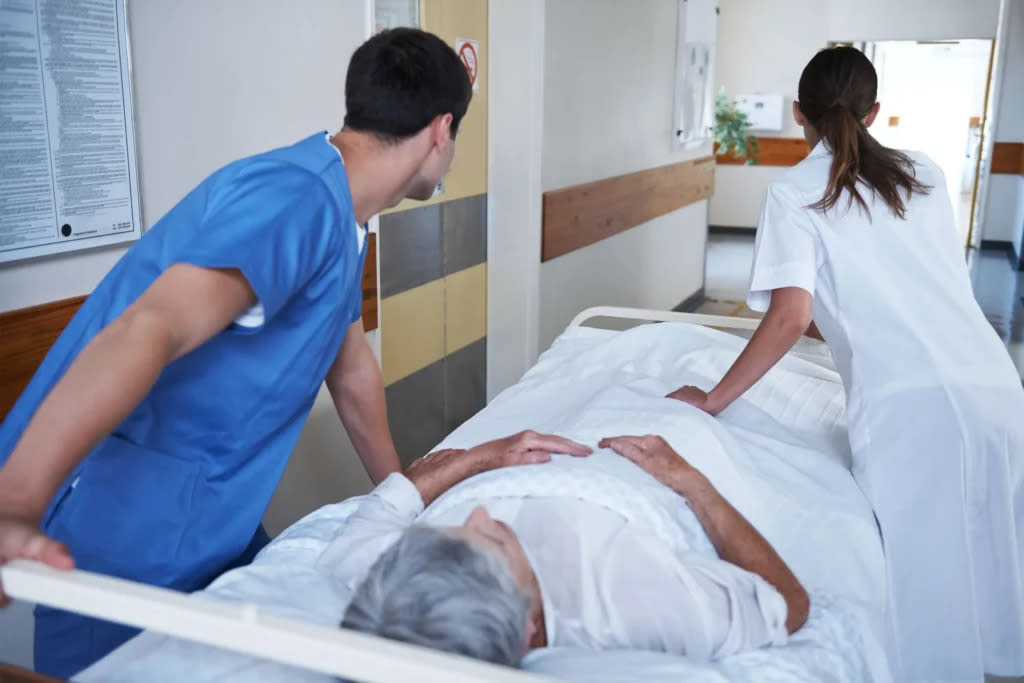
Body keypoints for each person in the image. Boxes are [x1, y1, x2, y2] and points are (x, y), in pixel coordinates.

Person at [0, 27, 472, 678]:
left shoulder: (342, 214)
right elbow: (150, 328)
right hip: (124, 529)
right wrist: (12, 504)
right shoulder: (296, 199)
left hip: (213, 516)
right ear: (441, 130)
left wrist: (402, 491)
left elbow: (350, 362)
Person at [666, 46, 1024, 682]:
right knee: (998, 558)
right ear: (876, 111)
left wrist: (714, 399)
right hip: (997, 382)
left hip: (913, 407)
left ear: (799, 113)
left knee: (921, 583)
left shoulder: (794, 189)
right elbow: (922, 283)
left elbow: (788, 317)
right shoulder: (928, 173)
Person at [320, 431, 809, 667]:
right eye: (494, 540)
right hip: (640, 456)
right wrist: (695, 485)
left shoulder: (381, 584)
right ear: (528, 634)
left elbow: (386, 507)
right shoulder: (627, 603)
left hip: (515, 444)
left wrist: (478, 458)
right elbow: (787, 605)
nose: (483, 516)